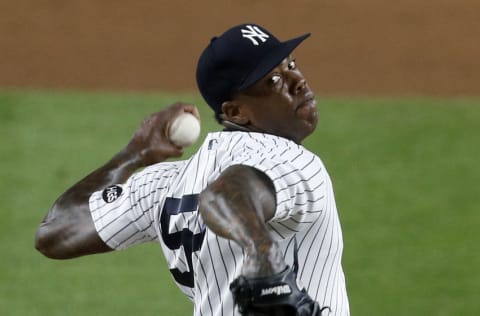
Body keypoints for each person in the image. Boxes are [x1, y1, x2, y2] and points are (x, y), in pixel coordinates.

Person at [35, 23, 350, 315]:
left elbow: (55, 232)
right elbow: (223, 196)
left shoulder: (166, 186)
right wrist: (263, 251)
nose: (299, 82)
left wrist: (133, 155)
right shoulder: (290, 161)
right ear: (235, 112)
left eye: (291, 65)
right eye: (274, 81)